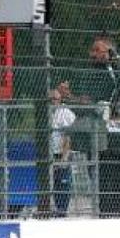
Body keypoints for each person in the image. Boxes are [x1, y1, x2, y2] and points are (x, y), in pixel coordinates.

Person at [71, 36, 120, 217]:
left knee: (115, 177)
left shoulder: (116, 72)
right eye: (92, 50)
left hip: (116, 136)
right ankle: (105, 214)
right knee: (99, 177)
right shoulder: (91, 73)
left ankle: (118, 215)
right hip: (98, 135)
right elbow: (86, 102)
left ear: (108, 52)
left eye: (96, 50)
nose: (91, 54)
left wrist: (114, 60)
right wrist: (70, 97)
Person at [48, 80, 76, 217]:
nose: (53, 101)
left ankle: (62, 209)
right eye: (51, 99)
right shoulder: (46, 113)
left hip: (62, 153)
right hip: (50, 153)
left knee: (63, 181)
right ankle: (54, 207)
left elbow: (68, 136)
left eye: (56, 99)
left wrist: (65, 156)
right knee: (53, 182)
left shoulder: (65, 112)